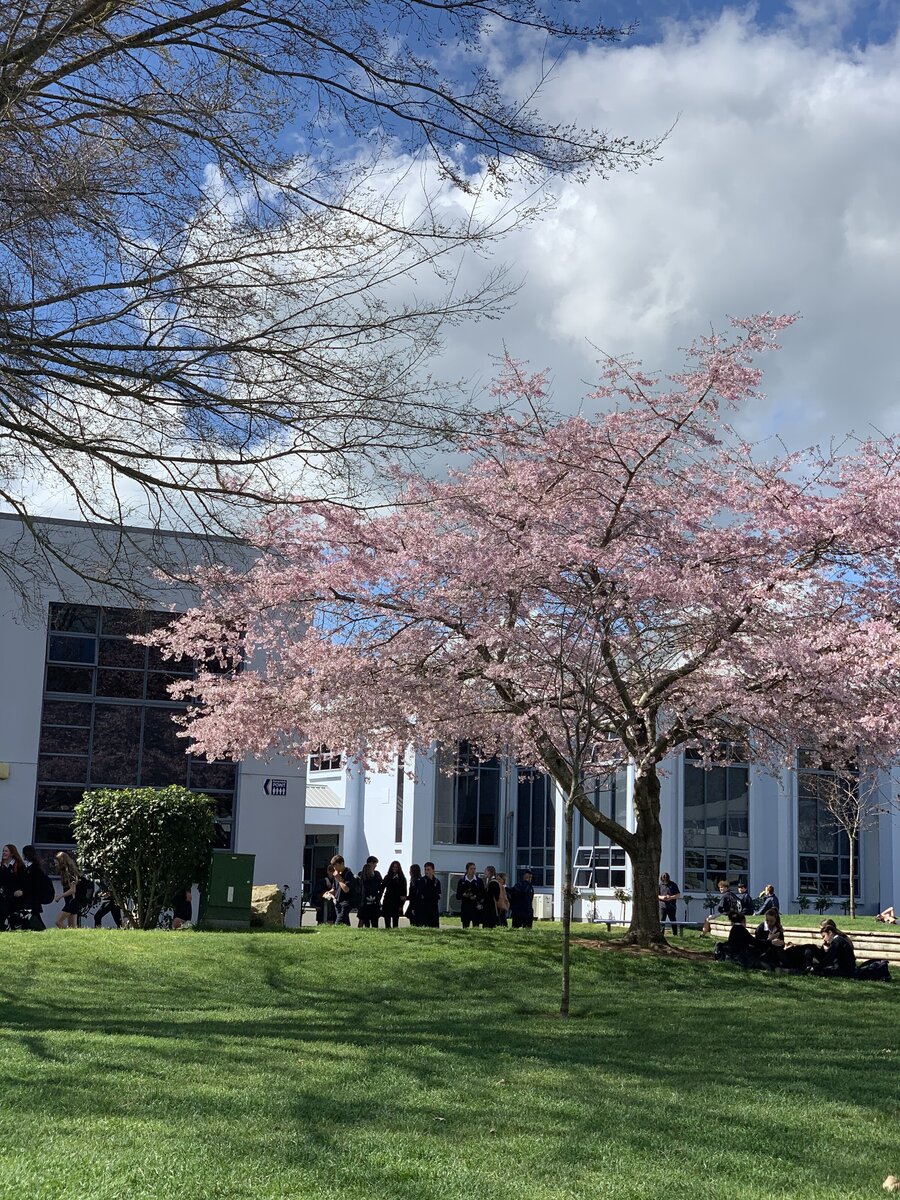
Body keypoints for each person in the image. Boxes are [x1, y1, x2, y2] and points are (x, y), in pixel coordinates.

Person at [21, 845, 52, 931]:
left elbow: (34, 886)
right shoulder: (31, 868)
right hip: (31, 900)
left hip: (32, 900)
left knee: (33, 920)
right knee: (31, 919)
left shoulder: (34, 869)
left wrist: (24, 892)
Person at [1, 844, 27, 929]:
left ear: (12, 853)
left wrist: (21, 891)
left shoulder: (19, 866)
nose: (4, 853)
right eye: (3, 851)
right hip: (4, 896)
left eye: (6, 851)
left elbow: (24, 881)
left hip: (15, 898)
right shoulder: (2, 866)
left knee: (14, 920)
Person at [54, 851, 80, 928]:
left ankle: (68, 934)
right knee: (72, 927)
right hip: (69, 901)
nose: (55, 865)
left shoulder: (70, 874)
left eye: (56, 863)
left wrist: (60, 896)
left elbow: (73, 890)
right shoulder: (65, 873)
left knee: (58, 922)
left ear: (62, 862)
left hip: (72, 902)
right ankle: (74, 939)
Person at [456, 862, 485, 929]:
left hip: (476, 908)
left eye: (474, 869)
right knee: (465, 927)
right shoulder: (462, 881)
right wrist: (464, 895)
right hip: (466, 907)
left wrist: (476, 897)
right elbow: (458, 896)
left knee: (476, 927)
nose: (473, 870)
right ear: (467, 870)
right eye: (471, 868)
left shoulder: (479, 881)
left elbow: (483, 894)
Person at [379, 861, 407, 928]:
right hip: (387, 901)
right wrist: (379, 900)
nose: (395, 868)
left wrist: (401, 905)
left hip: (396, 902)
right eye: (393, 867)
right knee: (387, 920)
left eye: (396, 867)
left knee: (395, 922)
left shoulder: (402, 879)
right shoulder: (387, 877)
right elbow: (382, 889)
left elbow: (404, 893)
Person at [357, 856, 383, 928]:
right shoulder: (376, 875)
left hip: (365, 902)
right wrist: (378, 897)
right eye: (375, 864)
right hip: (372, 901)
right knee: (374, 923)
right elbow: (381, 887)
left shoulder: (361, 875)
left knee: (365, 921)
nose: (375, 866)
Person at [328, 855, 354, 925]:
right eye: (333, 866)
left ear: (342, 863)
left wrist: (339, 879)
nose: (334, 868)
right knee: (345, 923)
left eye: (336, 865)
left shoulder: (348, 873)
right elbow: (334, 888)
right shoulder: (337, 874)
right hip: (338, 902)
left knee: (338, 923)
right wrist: (328, 893)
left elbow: (346, 889)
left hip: (346, 902)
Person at [415, 862, 442, 927]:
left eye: (428, 869)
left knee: (434, 926)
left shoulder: (436, 881)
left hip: (434, 907)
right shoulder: (422, 880)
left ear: (433, 870)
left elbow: (438, 895)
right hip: (424, 908)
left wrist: (432, 895)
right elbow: (420, 894)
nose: (426, 871)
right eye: (425, 869)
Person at [482, 865, 500, 929]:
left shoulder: (493, 883)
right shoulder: (490, 882)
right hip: (490, 908)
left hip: (490, 909)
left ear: (489, 872)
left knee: (488, 926)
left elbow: (491, 896)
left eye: (485, 871)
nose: (484, 873)